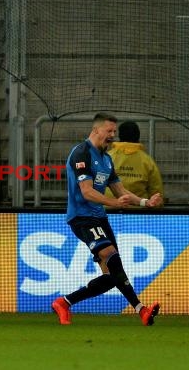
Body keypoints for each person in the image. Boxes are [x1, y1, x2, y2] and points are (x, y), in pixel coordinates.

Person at [51, 112, 163, 326]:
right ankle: (141, 310)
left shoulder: (106, 159)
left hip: (100, 219)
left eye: (114, 132)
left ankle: (64, 302)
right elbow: (87, 192)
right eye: (109, 131)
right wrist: (114, 203)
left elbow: (120, 191)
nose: (112, 135)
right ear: (96, 130)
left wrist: (144, 202)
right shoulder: (81, 153)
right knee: (111, 256)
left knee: (113, 274)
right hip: (82, 218)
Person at [104, 121, 164, 204]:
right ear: (138, 136)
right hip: (138, 212)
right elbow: (156, 193)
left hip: (109, 210)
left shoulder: (106, 157)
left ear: (119, 136)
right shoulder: (147, 161)